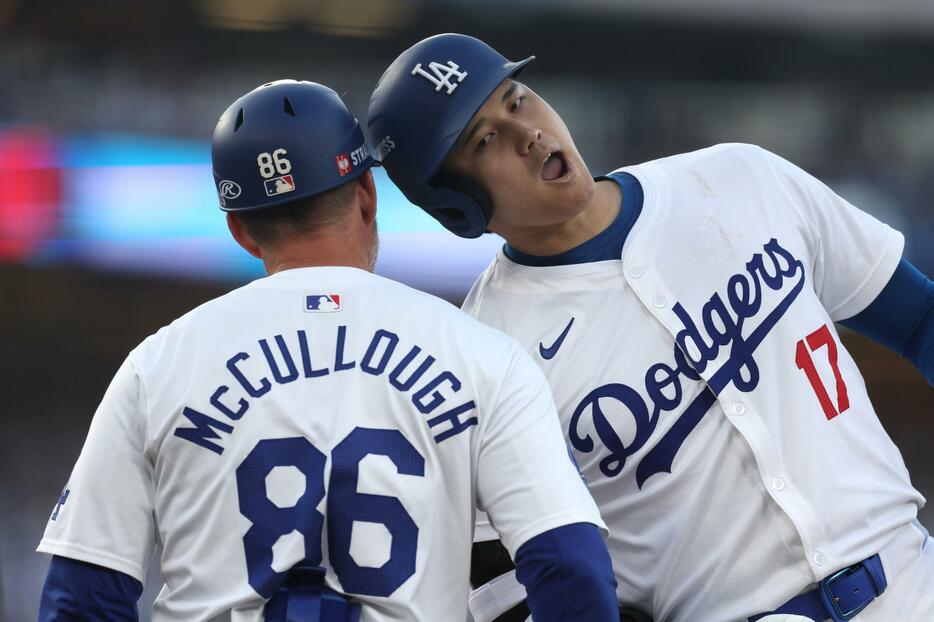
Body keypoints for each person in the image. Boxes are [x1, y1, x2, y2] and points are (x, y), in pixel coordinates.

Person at [367, 34, 934, 622]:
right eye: (486, 140)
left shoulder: (741, 178)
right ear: (454, 204)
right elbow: (509, 593)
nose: (528, 133)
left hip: (914, 573)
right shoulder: (485, 356)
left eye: (516, 100)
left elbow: (920, 319)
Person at [35, 79, 619, 622]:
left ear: (240, 229)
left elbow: (82, 595)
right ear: (367, 193)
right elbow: (571, 568)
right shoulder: (484, 358)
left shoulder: (157, 365)